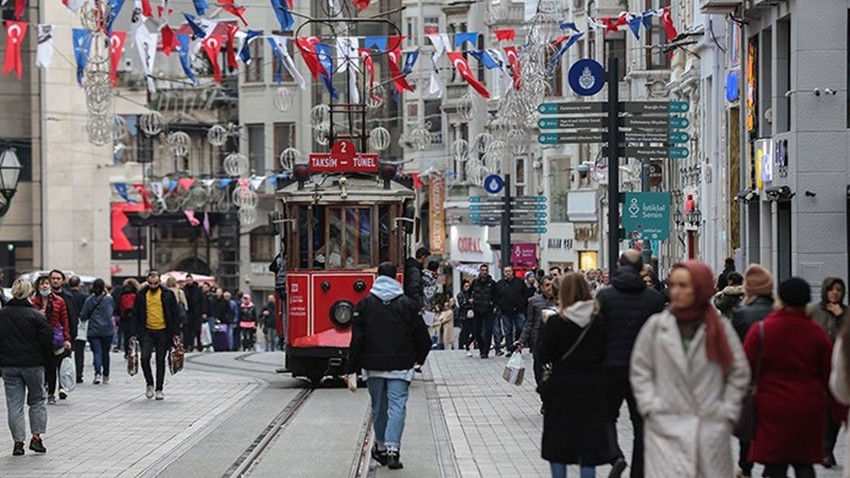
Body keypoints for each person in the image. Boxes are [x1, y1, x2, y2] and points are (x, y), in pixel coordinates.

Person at [630, 260, 750, 478]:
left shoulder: (720, 329)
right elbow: (640, 370)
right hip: (666, 427)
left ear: (700, 287)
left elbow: (738, 372)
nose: (676, 291)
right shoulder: (657, 327)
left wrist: (727, 412)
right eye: (673, 285)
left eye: (683, 285)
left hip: (710, 429)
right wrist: (651, 406)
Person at [346, 262, 431, 470]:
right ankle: (394, 451)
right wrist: (418, 359)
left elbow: (356, 340)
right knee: (397, 406)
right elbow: (424, 338)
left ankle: (381, 448)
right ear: (396, 278)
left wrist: (351, 368)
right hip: (401, 365)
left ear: (377, 277)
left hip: (372, 366)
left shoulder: (364, 305)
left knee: (378, 408)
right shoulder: (408, 304)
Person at [744, 277, 832, 478]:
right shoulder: (818, 335)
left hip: (771, 406)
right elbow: (829, 375)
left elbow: (743, 369)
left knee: (775, 465)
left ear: (780, 300)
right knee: (804, 464)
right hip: (809, 406)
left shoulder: (762, 330)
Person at [595, 250, 665, 478]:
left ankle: (615, 456)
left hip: (611, 366)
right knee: (641, 424)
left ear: (618, 265)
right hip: (643, 370)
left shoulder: (605, 296)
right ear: (641, 269)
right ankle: (639, 473)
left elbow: (598, 332)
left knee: (606, 416)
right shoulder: (654, 298)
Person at [540, 273, 609, 478]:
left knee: (558, 444)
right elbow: (605, 352)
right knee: (588, 445)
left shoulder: (556, 322)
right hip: (592, 387)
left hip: (561, 387)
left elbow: (544, 355)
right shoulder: (598, 321)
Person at [729, 264, 774, 478]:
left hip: (748, 375)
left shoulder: (741, 313)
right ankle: (770, 465)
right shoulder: (778, 312)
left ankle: (745, 466)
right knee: (769, 423)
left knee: (747, 421)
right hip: (773, 375)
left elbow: (735, 346)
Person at [0, 279, 52, 456]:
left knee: (14, 405)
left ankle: (18, 442)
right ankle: (36, 438)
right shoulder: (36, 316)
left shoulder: (3, 314)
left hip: (9, 366)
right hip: (33, 365)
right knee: (37, 401)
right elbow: (47, 342)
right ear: (30, 294)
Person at [808, 276, 848, 468]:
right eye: (831, 289)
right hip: (817, 370)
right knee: (819, 411)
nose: (835, 293)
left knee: (835, 413)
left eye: (839, 290)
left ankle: (827, 450)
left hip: (840, 371)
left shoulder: (846, 313)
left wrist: (840, 316)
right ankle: (821, 448)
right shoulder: (814, 311)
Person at [131, 271, 181, 401]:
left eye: (156, 283)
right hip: (146, 331)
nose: (153, 286)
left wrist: (175, 333)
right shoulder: (141, 295)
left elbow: (175, 314)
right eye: (151, 283)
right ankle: (149, 383)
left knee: (160, 360)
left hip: (164, 331)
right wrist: (134, 332)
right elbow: (135, 314)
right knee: (144, 358)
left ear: (160, 282)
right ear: (147, 282)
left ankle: (159, 388)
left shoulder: (167, 294)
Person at [32, 276, 71, 405]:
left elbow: (64, 320)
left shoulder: (59, 301)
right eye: (42, 284)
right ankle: (42, 389)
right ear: (38, 287)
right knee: (41, 367)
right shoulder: (33, 302)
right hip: (38, 338)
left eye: (47, 284)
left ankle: (51, 394)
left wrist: (67, 338)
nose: (45, 286)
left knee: (52, 366)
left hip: (54, 338)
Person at [518, 275, 556, 389]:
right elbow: (529, 322)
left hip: (554, 340)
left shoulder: (560, 300)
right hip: (537, 340)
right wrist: (521, 341)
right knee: (538, 368)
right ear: (541, 287)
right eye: (547, 285)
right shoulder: (534, 301)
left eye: (552, 285)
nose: (550, 288)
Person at [80, 278, 116, 385]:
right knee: (106, 353)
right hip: (108, 330)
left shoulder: (89, 300)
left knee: (97, 352)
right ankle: (106, 374)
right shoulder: (109, 299)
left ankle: (97, 373)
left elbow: (83, 315)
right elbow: (113, 310)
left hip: (94, 330)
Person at [496, 265, 531, 356]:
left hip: (519, 310)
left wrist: (522, 303)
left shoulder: (519, 282)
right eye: (506, 272)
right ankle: (510, 348)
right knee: (508, 331)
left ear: (513, 272)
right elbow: (496, 296)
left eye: (509, 271)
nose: (508, 273)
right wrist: (500, 305)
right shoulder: (500, 284)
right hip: (506, 311)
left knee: (520, 327)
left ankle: (518, 345)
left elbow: (525, 294)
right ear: (504, 273)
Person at [471, 264, 498, 359]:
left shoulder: (492, 283)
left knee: (488, 331)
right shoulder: (475, 282)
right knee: (477, 331)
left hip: (488, 310)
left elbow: (496, 296)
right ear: (480, 271)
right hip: (477, 309)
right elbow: (470, 293)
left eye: (486, 270)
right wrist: (471, 301)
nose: (484, 272)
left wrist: (493, 305)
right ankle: (481, 348)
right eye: (482, 270)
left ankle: (485, 351)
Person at [67, 276, 88, 384]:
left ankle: (68, 374)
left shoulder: (67, 296)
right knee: (79, 353)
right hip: (81, 327)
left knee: (67, 354)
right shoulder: (84, 297)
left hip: (68, 326)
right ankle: (79, 375)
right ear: (79, 284)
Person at [117, 278, 140, 357]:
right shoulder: (136, 294)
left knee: (126, 336)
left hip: (124, 318)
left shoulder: (122, 294)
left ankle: (127, 352)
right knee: (134, 335)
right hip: (134, 318)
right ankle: (133, 350)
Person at [183, 274, 204, 353]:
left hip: (196, 313)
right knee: (188, 330)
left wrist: (202, 312)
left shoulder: (198, 289)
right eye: (187, 280)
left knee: (197, 330)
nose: (188, 281)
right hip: (188, 312)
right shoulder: (184, 289)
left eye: (189, 280)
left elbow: (202, 301)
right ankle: (189, 345)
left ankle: (199, 344)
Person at [455, 281, 475, 357]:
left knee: (475, 332)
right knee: (466, 331)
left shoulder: (472, 294)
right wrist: (468, 302)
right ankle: (466, 346)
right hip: (464, 316)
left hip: (473, 315)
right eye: (466, 286)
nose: (467, 288)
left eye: (468, 286)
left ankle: (468, 343)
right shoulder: (460, 295)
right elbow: (462, 304)